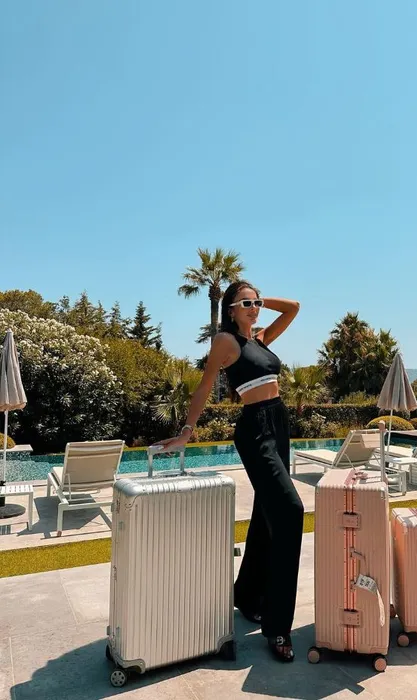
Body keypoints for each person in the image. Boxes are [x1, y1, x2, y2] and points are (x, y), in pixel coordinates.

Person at [155, 280, 304, 663]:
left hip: (278, 422)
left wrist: (260, 299)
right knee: (290, 511)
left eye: (257, 302)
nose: (255, 308)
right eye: (246, 303)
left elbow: (294, 307)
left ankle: (248, 595)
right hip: (255, 429)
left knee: (267, 512)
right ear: (231, 309)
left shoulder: (261, 339)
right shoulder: (226, 341)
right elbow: (205, 385)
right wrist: (187, 431)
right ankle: (278, 627)